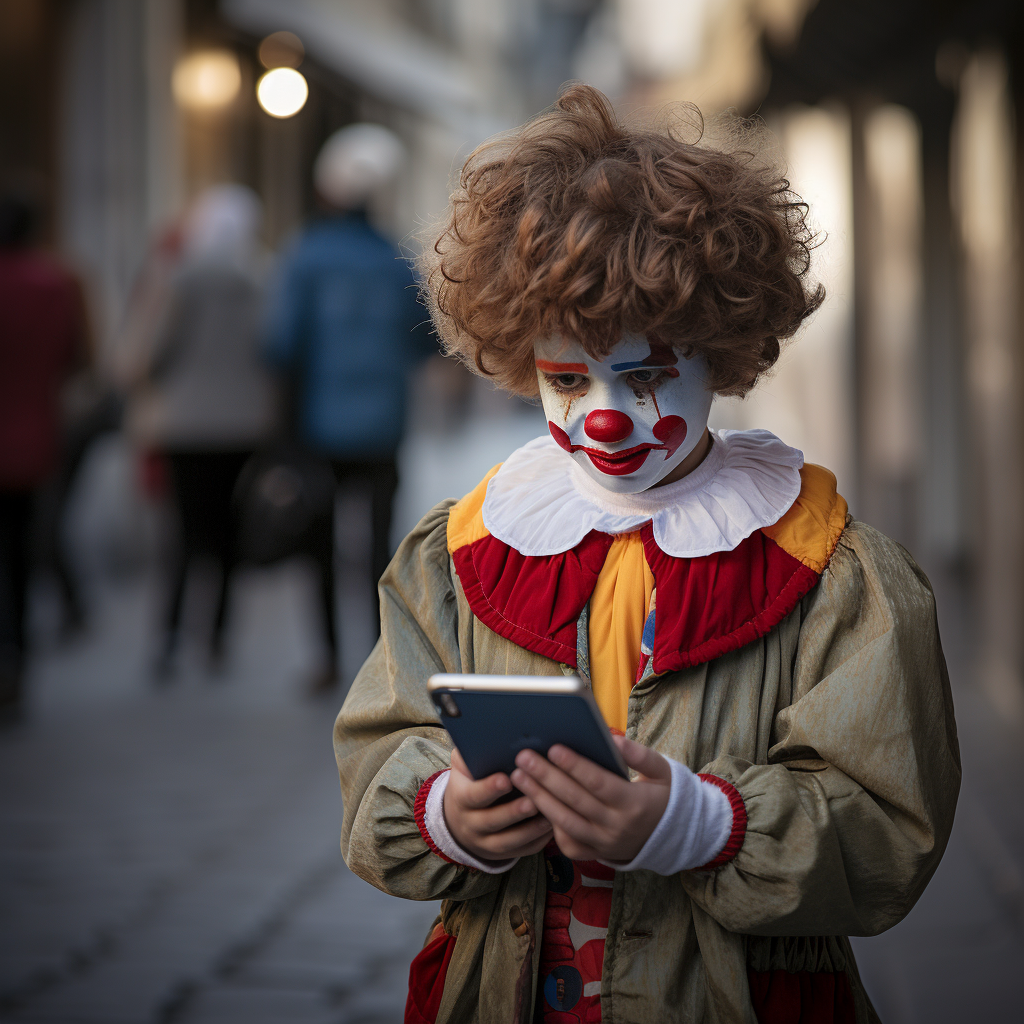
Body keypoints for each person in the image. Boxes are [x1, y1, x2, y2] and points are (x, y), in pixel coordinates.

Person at [332, 86, 961, 1024]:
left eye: (647, 374)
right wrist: (445, 814)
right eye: (565, 378)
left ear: (722, 351)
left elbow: (888, 828)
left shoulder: (837, 574)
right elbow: (379, 752)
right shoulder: (456, 555)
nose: (604, 416)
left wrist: (698, 823)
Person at [265, 123, 435, 689]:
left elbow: (281, 345)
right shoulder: (394, 259)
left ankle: (327, 657)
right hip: (384, 421)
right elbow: (427, 340)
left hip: (318, 424)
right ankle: (375, 656)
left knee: (320, 542)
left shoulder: (305, 255)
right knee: (380, 542)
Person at [123, 184, 279, 677]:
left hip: (184, 424)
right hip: (243, 425)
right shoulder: (262, 276)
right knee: (227, 532)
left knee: (181, 533)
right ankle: (217, 638)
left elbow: (153, 351)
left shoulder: (180, 276)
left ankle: (169, 637)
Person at [0, 194, 87, 712]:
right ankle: (19, 656)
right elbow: (74, 355)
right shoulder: (55, 284)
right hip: (35, 436)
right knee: (22, 548)